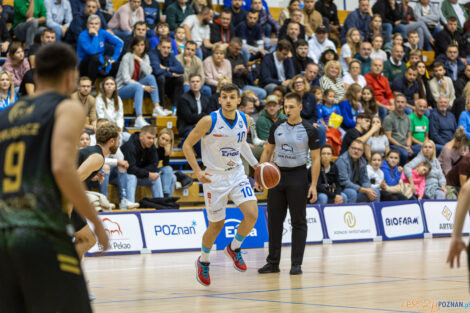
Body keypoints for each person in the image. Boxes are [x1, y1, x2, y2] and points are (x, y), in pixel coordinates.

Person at [0, 42, 109, 313]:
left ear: (35, 76)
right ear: (71, 76)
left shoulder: (6, 115)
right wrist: (96, 222)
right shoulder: (66, 108)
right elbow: (63, 168)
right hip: (42, 235)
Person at [182, 83, 260, 286]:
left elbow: (241, 144)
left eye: (232, 97)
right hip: (214, 178)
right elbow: (187, 145)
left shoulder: (246, 119)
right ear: (219, 100)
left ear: (238, 100)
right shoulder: (209, 121)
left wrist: (256, 166)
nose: (228, 100)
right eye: (224, 97)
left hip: (237, 174)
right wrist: (197, 171)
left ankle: (234, 248)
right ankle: (204, 261)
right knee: (216, 225)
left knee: (252, 214)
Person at [257, 92, 320, 275]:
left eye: (292, 106)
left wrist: (313, 185)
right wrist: (260, 176)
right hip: (277, 175)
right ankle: (273, 263)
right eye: (286, 106)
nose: (288, 109)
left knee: (298, 221)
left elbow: (315, 159)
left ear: (300, 107)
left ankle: (296, 264)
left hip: (298, 176)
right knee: (275, 221)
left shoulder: (310, 129)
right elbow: (268, 151)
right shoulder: (277, 126)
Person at [73, 122, 121, 262]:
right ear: (111, 141)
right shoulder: (98, 157)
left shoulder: (92, 151)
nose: (118, 144)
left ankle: (71, 277)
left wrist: (92, 175)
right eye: (118, 140)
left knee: (83, 239)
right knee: (88, 240)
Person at [116, 36, 165, 127]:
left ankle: (157, 108)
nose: (140, 47)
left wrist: (140, 61)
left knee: (151, 77)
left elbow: (149, 72)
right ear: (133, 46)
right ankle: (139, 118)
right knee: (139, 87)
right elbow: (126, 79)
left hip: (136, 86)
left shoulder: (145, 57)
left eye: (142, 45)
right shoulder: (127, 57)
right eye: (137, 45)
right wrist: (143, 87)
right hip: (122, 88)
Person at [121, 125, 164, 203]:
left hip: (140, 175)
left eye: (153, 138)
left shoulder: (151, 146)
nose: (151, 141)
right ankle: (130, 205)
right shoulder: (130, 146)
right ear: (141, 136)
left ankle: (161, 204)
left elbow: (154, 164)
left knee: (156, 177)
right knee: (132, 177)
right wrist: (147, 173)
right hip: (124, 176)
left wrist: (143, 173)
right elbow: (131, 169)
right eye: (149, 138)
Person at [77, 15, 123, 83]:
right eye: (91, 23)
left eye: (96, 24)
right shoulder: (82, 35)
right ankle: (91, 84)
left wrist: (114, 58)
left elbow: (119, 43)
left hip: (100, 62)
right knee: (95, 58)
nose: (94, 26)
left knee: (117, 65)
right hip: (84, 65)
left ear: (99, 25)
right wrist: (95, 36)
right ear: (87, 25)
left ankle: (111, 85)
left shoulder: (102, 32)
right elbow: (92, 52)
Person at [336, 139, 380, 203]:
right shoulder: (342, 161)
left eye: (359, 150)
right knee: (352, 193)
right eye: (354, 148)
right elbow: (344, 182)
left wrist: (369, 190)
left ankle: (375, 212)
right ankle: (350, 212)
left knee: (375, 191)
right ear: (349, 149)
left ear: (362, 152)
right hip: (342, 189)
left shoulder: (362, 161)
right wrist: (364, 190)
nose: (356, 151)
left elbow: (365, 180)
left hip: (357, 189)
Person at [177, 73, 211, 156]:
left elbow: (209, 114)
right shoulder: (183, 99)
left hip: (202, 128)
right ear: (189, 83)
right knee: (197, 136)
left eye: (197, 81)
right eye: (192, 82)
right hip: (187, 128)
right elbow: (189, 118)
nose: (195, 83)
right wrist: (204, 116)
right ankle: (205, 160)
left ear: (201, 83)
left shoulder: (205, 98)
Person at [149, 37, 184, 107]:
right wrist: (172, 74)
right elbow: (157, 71)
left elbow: (181, 69)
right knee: (161, 78)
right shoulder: (152, 54)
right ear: (159, 47)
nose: (166, 50)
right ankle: (161, 107)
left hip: (167, 84)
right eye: (164, 47)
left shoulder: (171, 55)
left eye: (168, 48)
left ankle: (175, 108)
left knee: (180, 79)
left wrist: (167, 68)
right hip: (155, 84)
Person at [383, 93, 415, 166]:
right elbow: (389, 137)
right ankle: (400, 171)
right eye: (398, 102)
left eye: (402, 102)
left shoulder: (407, 118)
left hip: (405, 145)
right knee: (404, 153)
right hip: (394, 145)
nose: (400, 104)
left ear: (405, 104)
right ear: (394, 103)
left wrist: (408, 146)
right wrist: (404, 147)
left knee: (423, 149)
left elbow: (409, 135)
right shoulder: (389, 118)